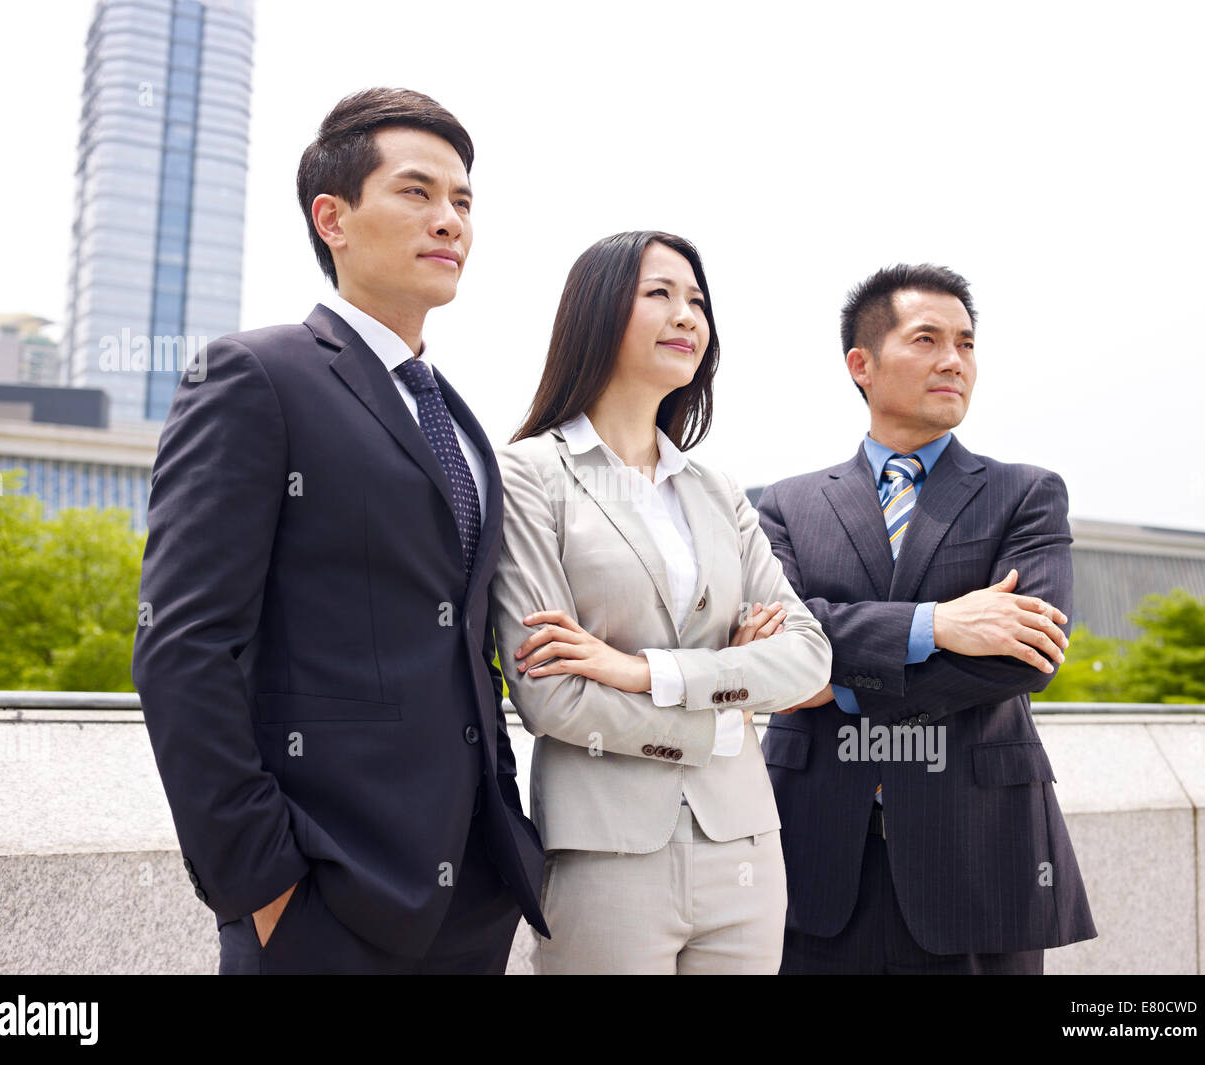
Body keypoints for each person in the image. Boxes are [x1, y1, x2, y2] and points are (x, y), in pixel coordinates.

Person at [132, 87, 547, 974]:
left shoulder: (463, 421)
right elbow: (183, 645)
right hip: (324, 898)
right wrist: (265, 883)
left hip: (472, 893)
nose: (450, 221)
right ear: (333, 218)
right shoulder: (254, 375)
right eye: (416, 192)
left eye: (463, 201)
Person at [489, 230, 834, 974]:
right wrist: (724, 714)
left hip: (744, 848)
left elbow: (808, 660)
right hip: (606, 850)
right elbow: (552, 696)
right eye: (661, 294)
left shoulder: (716, 490)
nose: (688, 316)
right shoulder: (529, 475)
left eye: (698, 301)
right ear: (597, 312)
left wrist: (640, 670)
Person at [757, 263, 1097, 974]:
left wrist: (834, 680)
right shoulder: (785, 506)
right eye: (928, 339)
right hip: (815, 853)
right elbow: (772, 644)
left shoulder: (1025, 494)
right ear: (863, 364)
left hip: (977, 855)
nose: (955, 360)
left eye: (967, 343)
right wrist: (935, 625)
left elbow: (1020, 656)